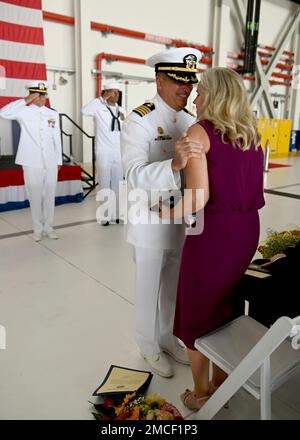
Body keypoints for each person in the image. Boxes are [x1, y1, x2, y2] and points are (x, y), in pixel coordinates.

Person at [160, 67, 265, 408]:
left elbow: (197, 199)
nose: (195, 96)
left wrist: (160, 211)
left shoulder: (199, 132)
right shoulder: (252, 133)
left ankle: (202, 394)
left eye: (201, 91)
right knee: (224, 305)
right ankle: (222, 382)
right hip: (248, 228)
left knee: (196, 308)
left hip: (215, 232)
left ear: (216, 96)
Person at [121, 47, 203, 377]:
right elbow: (133, 175)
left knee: (173, 284)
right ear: (159, 80)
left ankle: (167, 338)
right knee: (148, 285)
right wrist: (173, 163)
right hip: (148, 221)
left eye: (190, 82)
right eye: (179, 81)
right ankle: (147, 344)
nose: (187, 88)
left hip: (180, 219)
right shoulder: (139, 120)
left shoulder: (190, 120)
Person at [0, 81, 62, 242]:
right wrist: (25, 100)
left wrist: (58, 160)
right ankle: (38, 229)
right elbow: (3, 113)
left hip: (49, 160)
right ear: (32, 95)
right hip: (30, 159)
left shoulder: (52, 114)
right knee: (34, 194)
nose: (42, 98)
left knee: (49, 194)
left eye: (43, 95)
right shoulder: (23, 112)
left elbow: (57, 138)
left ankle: (49, 227)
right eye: (38, 95)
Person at [81, 82, 125, 225]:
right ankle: (105, 216)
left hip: (118, 152)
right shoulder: (98, 108)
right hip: (104, 152)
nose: (116, 95)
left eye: (118, 92)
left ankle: (118, 214)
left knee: (118, 184)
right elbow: (84, 111)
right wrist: (100, 100)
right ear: (106, 93)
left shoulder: (121, 110)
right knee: (105, 183)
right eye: (113, 92)